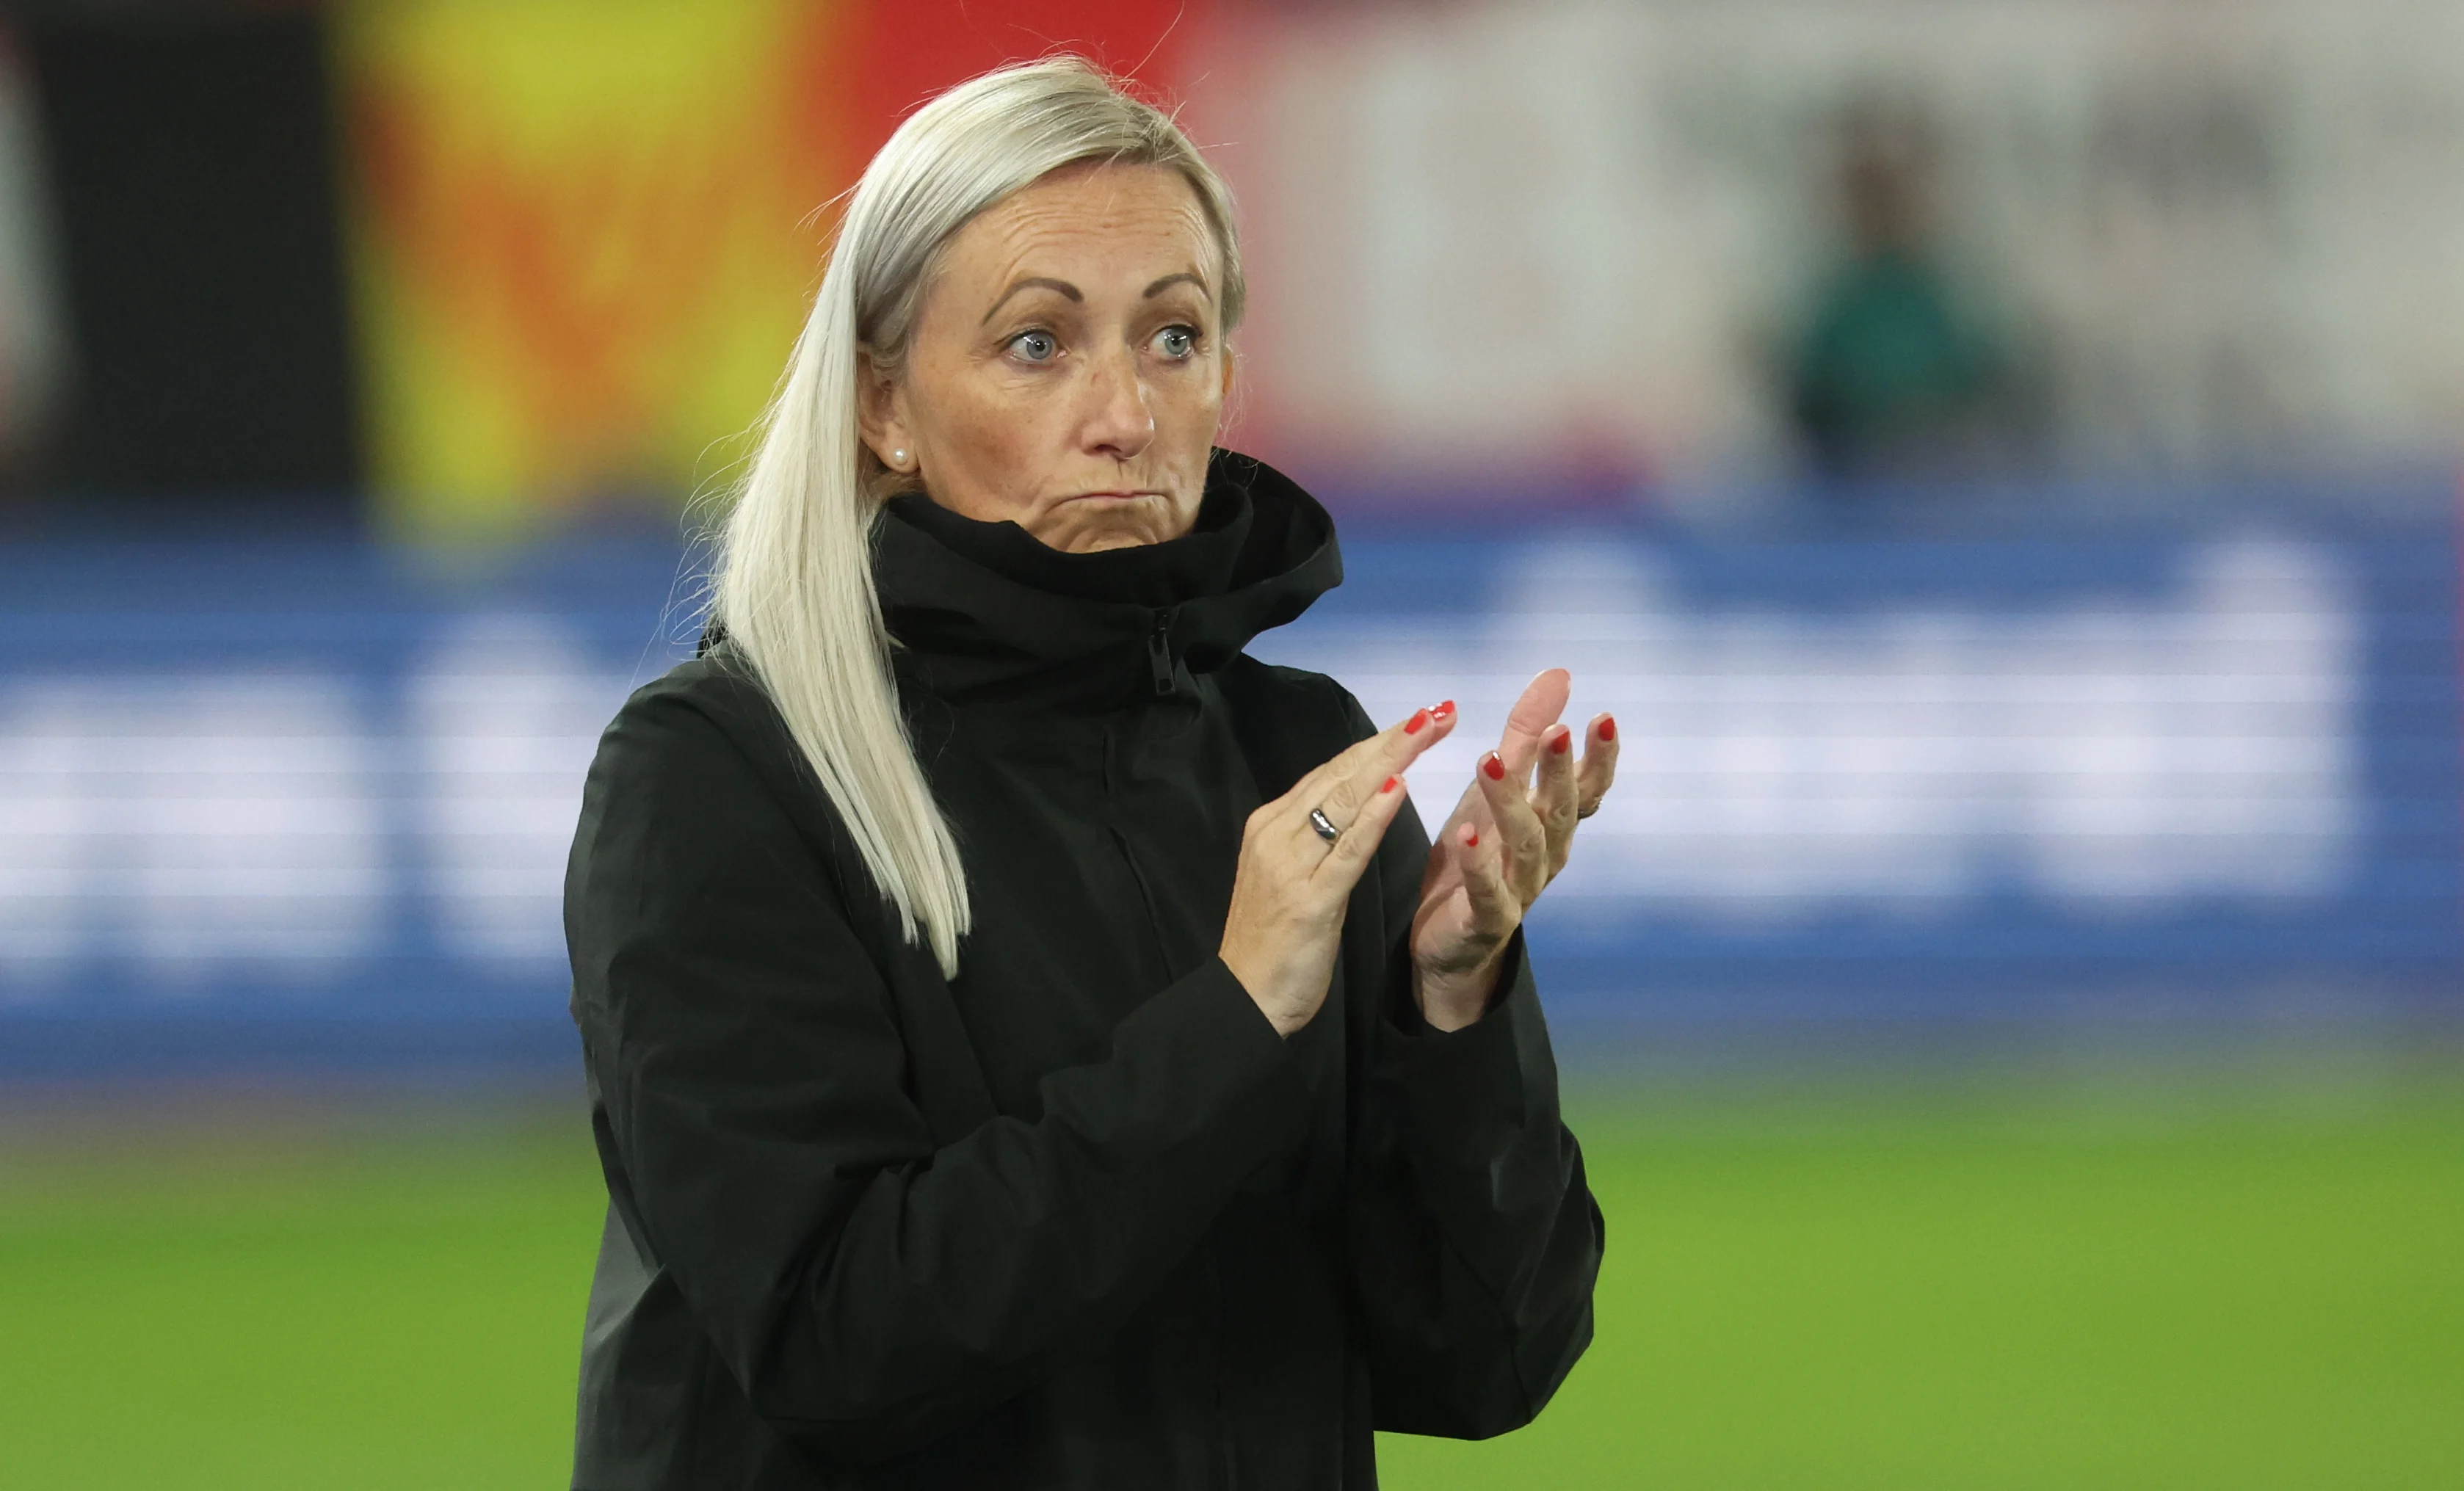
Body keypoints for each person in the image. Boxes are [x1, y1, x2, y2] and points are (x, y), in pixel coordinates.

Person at [565, 57, 1619, 1490]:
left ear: (1226, 375)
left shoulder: (1297, 756)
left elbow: (1485, 1361)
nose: (1124, 412)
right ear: (881, 403)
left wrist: (1452, 1005)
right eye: (1037, 343)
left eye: (1174, 336)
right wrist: (1234, 1021)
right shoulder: (720, 774)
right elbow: (830, 1340)